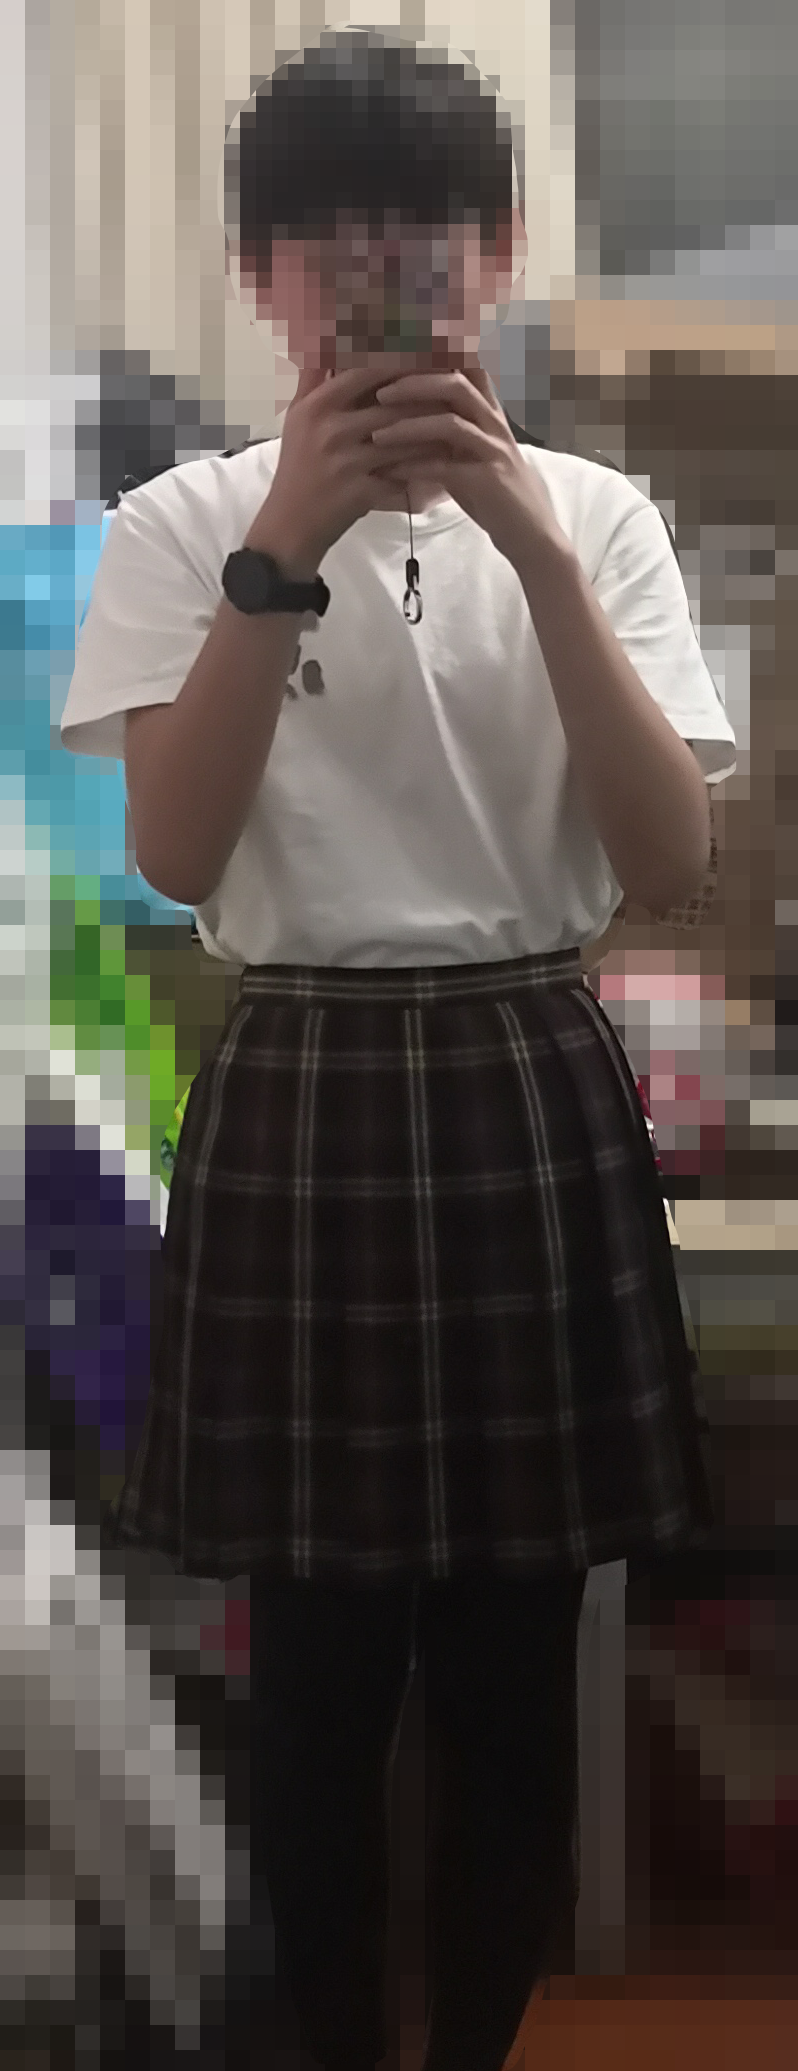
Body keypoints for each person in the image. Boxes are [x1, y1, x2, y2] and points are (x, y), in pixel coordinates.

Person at [60, 28, 737, 2071]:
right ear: (261, 275)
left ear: (495, 255)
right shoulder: (176, 525)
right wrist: (285, 547)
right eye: (332, 239)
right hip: (304, 1089)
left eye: (424, 233)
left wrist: (528, 539)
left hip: (527, 1073)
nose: (383, 273)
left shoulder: (602, 518)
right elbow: (181, 854)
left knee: (521, 1674)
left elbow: (664, 858)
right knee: (321, 1676)